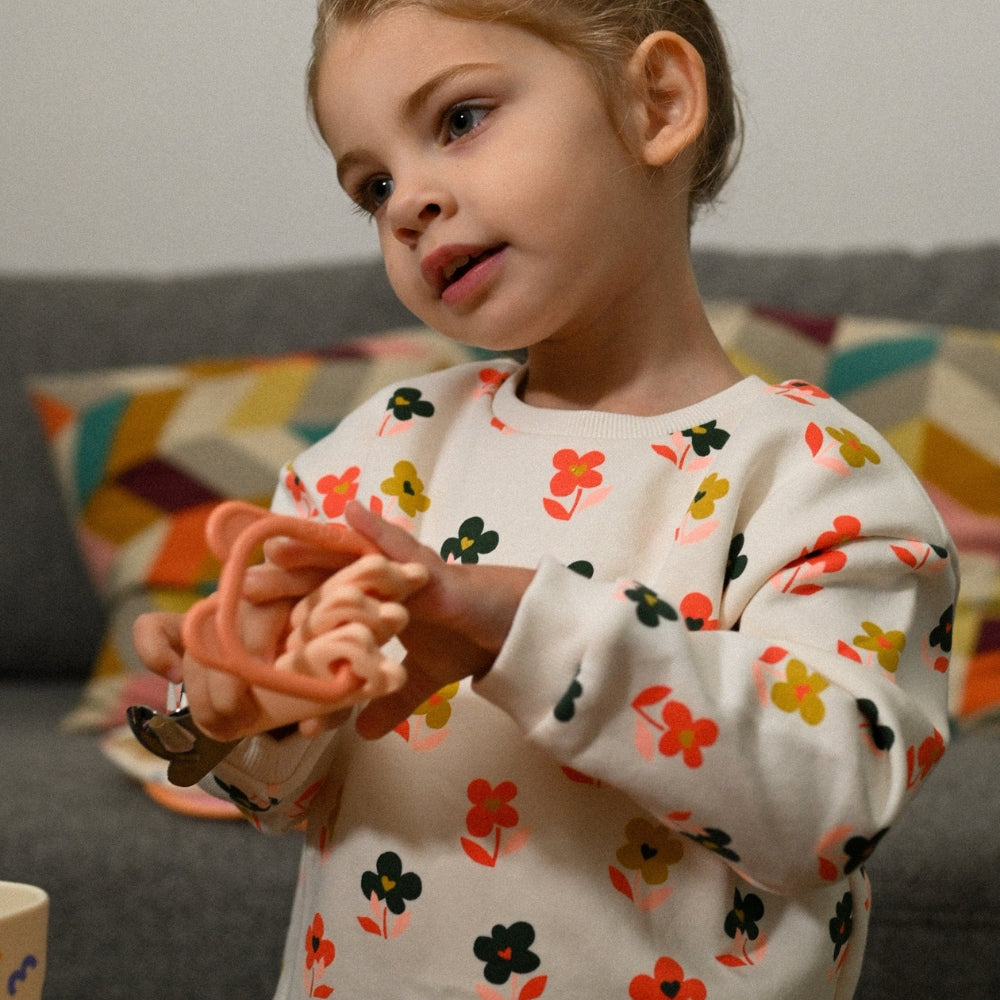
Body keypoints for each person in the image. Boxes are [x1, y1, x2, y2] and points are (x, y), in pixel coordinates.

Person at [133, 1, 958, 996]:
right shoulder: (374, 453)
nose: (406, 203)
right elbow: (283, 795)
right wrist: (248, 707)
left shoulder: (814, 476)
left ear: (657, 102)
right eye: (372, 185)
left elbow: (831, 802)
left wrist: (520, 630)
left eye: (459, 119)